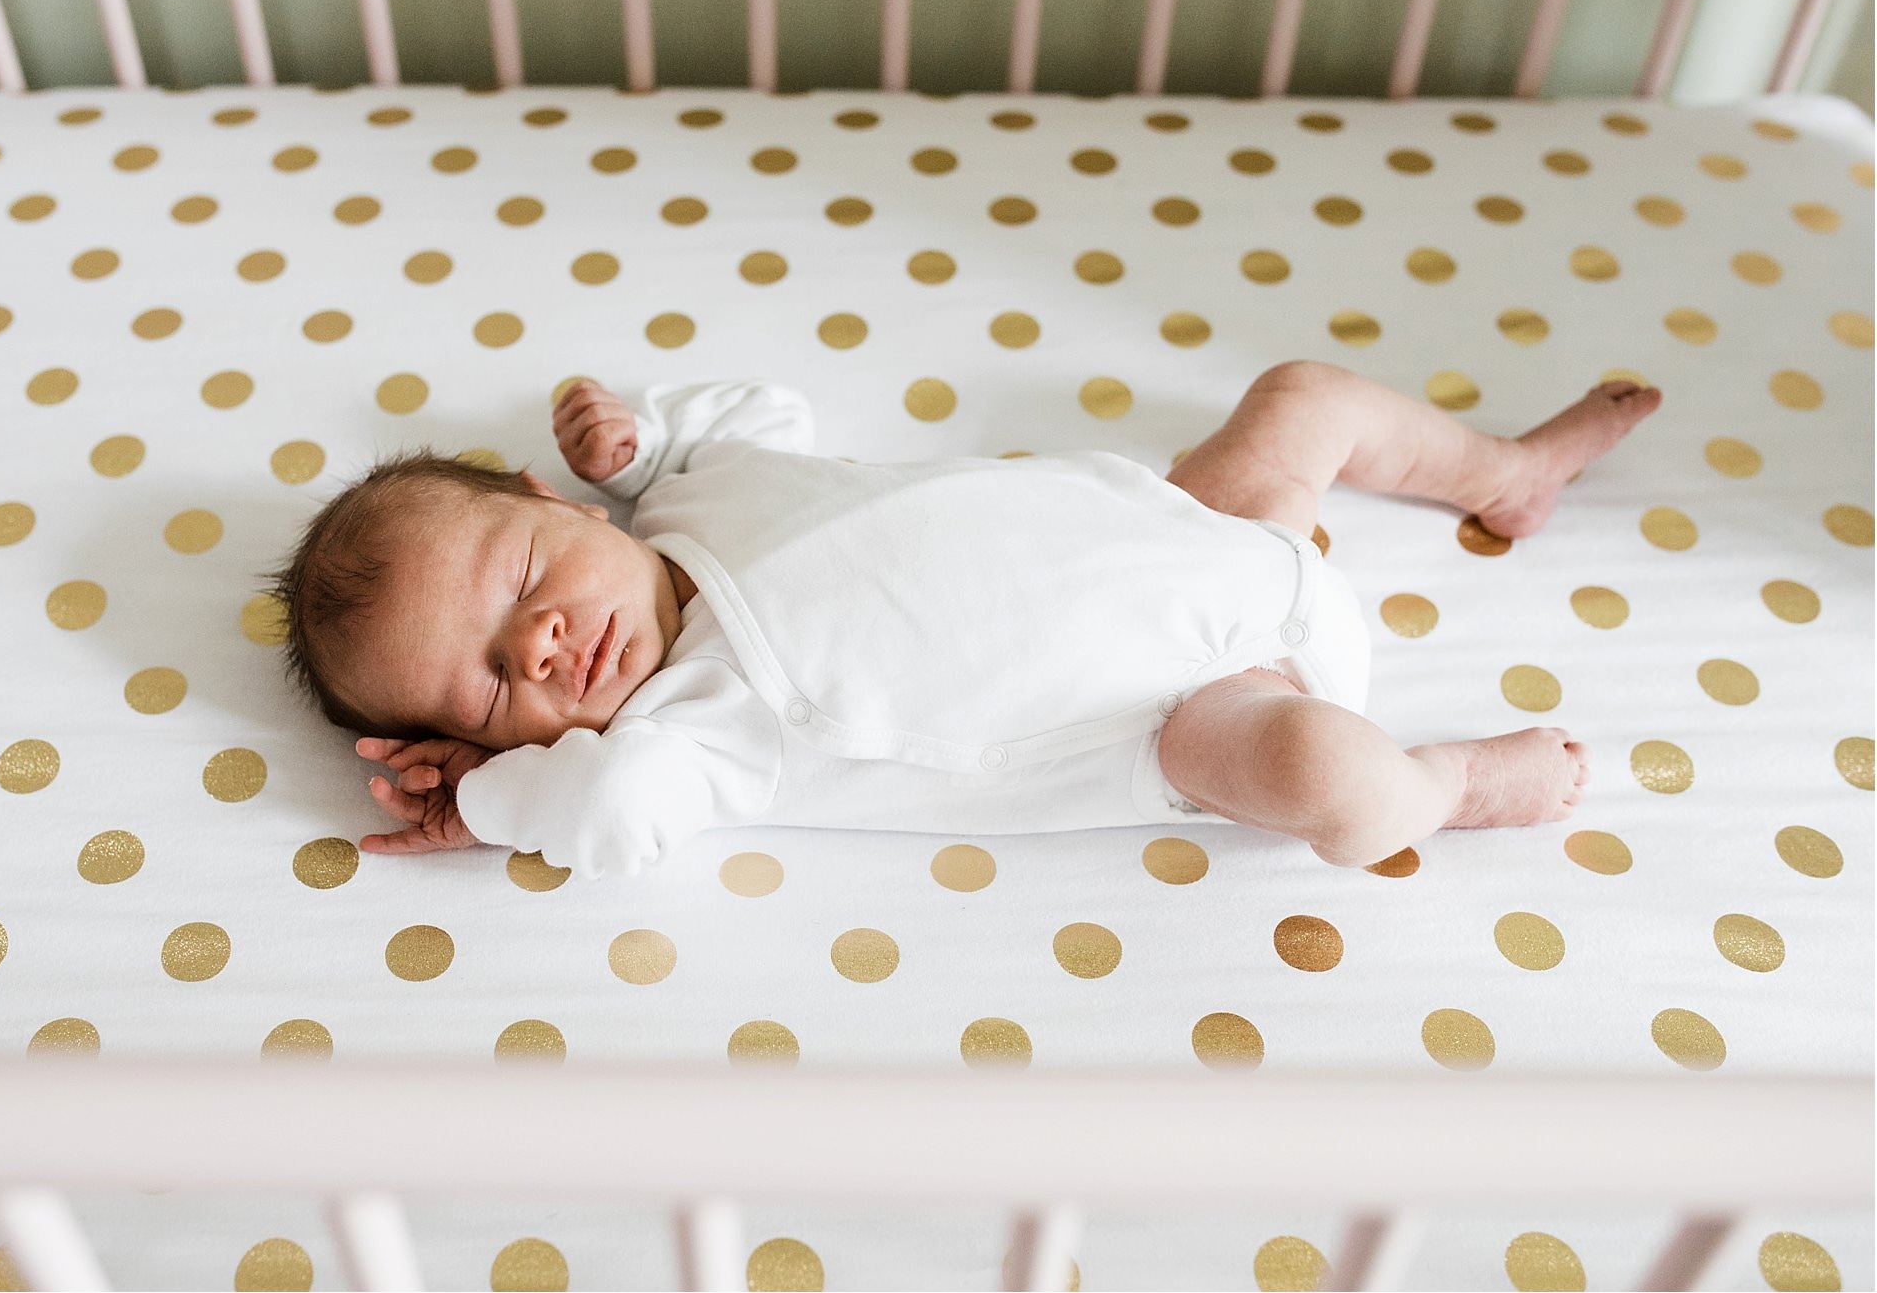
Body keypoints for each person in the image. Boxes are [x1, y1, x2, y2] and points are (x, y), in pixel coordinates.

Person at [265, 362, 1660, 879]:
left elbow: (764, 414)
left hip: (1200, 528)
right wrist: (498, 804)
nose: (547, 651)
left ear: (554, 503)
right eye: (497, 688)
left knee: (1304, 400)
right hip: (1203, 712)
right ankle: (1449, 782)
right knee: (1328, 779)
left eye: (521, 593)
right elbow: (616, 814)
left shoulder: (701, 495)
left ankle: (1509, 473)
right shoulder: (699, 728)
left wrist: (639, 450)